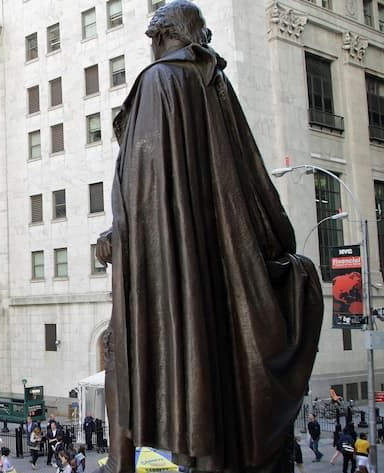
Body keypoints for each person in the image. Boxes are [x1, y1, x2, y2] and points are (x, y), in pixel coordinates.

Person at [96, 1, 323, 472]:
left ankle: (181, 445)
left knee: (171, 379)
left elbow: (149, 193)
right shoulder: (211, 83)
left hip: (172, 280)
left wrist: (119, 236)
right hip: (205, 270)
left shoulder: (160, 83)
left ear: (159, 38)